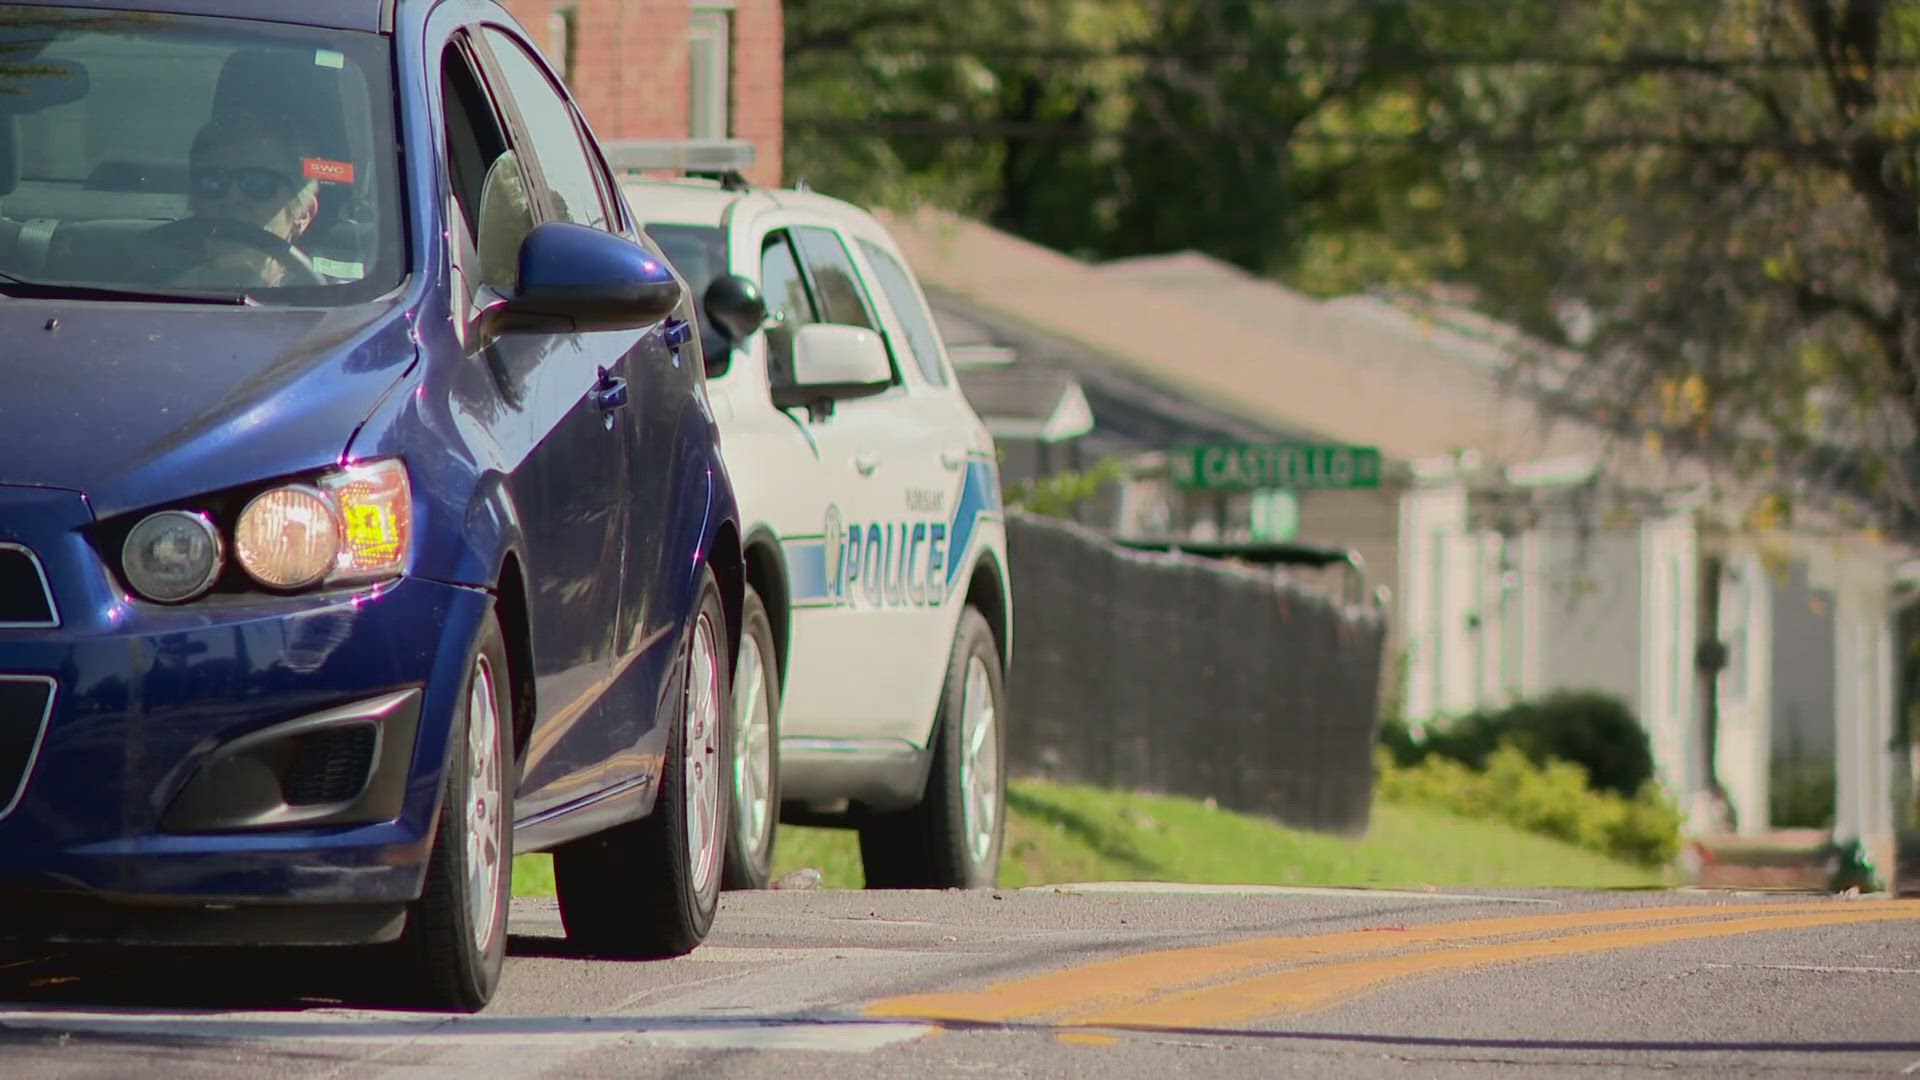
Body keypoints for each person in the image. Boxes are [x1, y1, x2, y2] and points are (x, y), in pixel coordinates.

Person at [154, 113, 324, 288]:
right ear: (193, 200)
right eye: (212, 181)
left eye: (258, 182)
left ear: (304, 213)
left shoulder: (342, 300)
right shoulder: (144, 296)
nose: (231, 198)